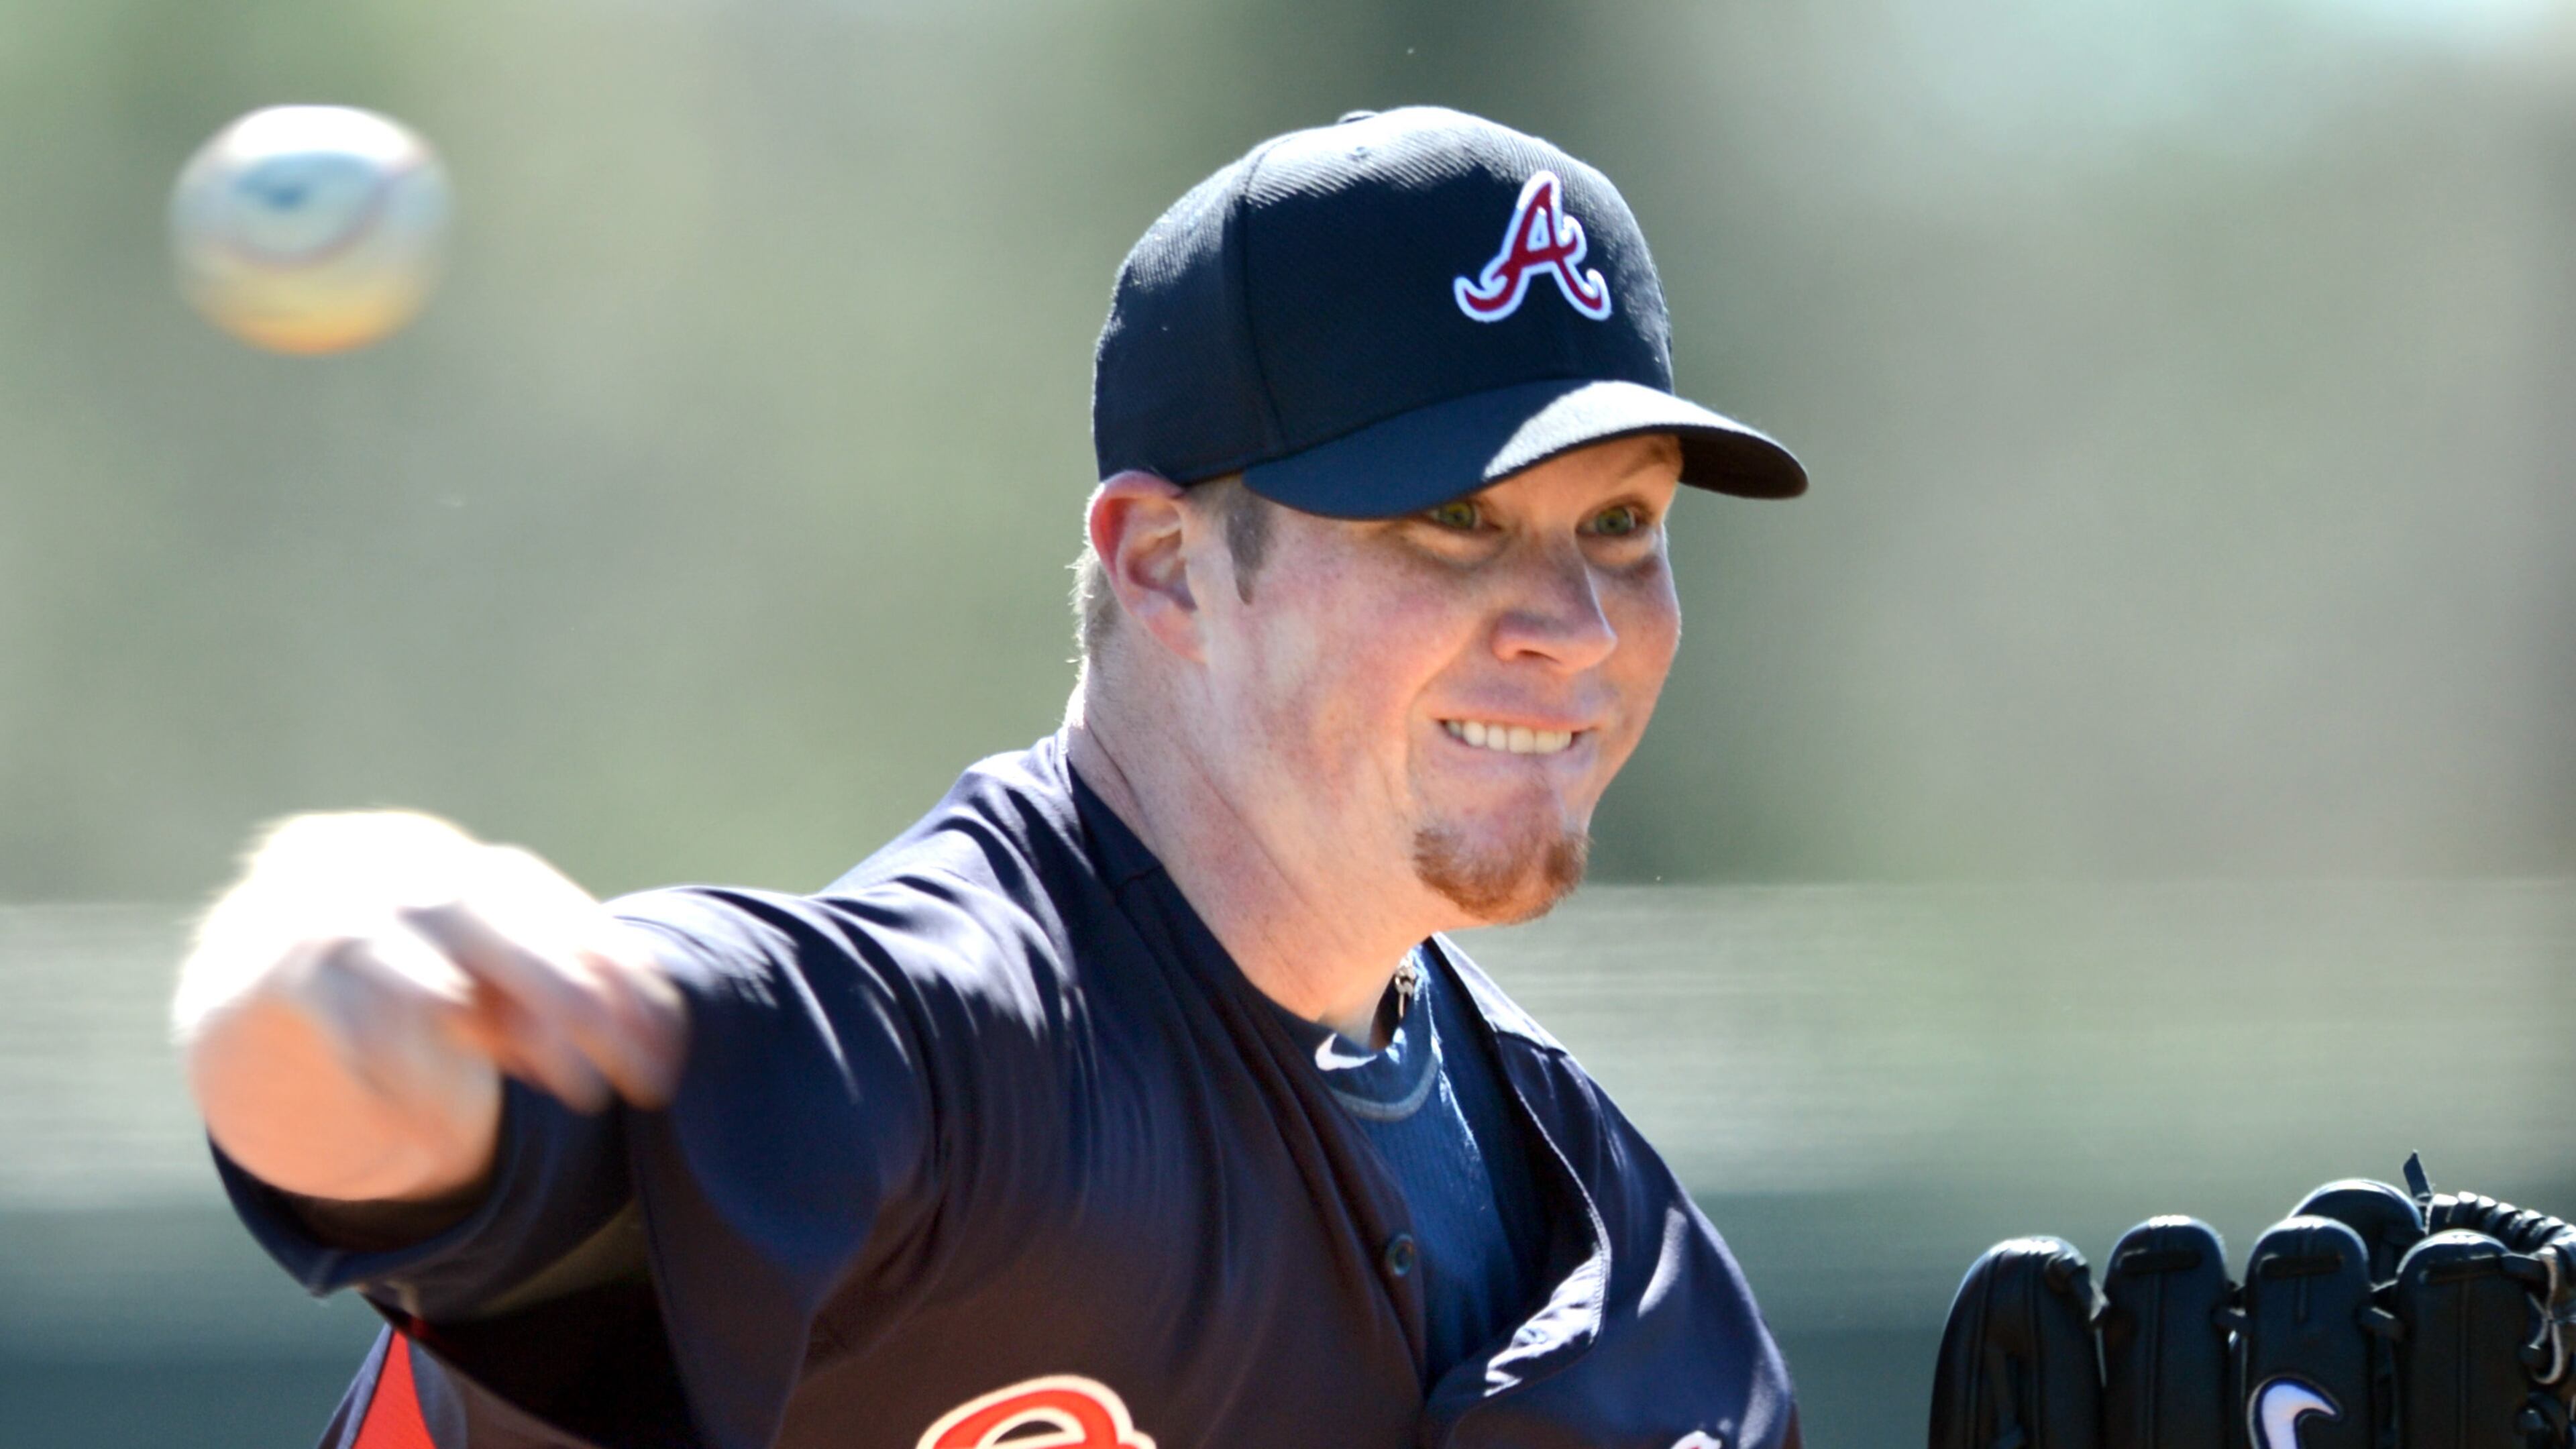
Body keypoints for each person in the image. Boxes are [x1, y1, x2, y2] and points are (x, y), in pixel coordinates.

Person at [174, 105, 1811, 1449]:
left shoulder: (1595, 1203)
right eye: (1452, 521)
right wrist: (312, 965)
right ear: (1165, 564)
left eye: (1623, 524)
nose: (1576, 625)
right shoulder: (937, 1053)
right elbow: (400, 1119)